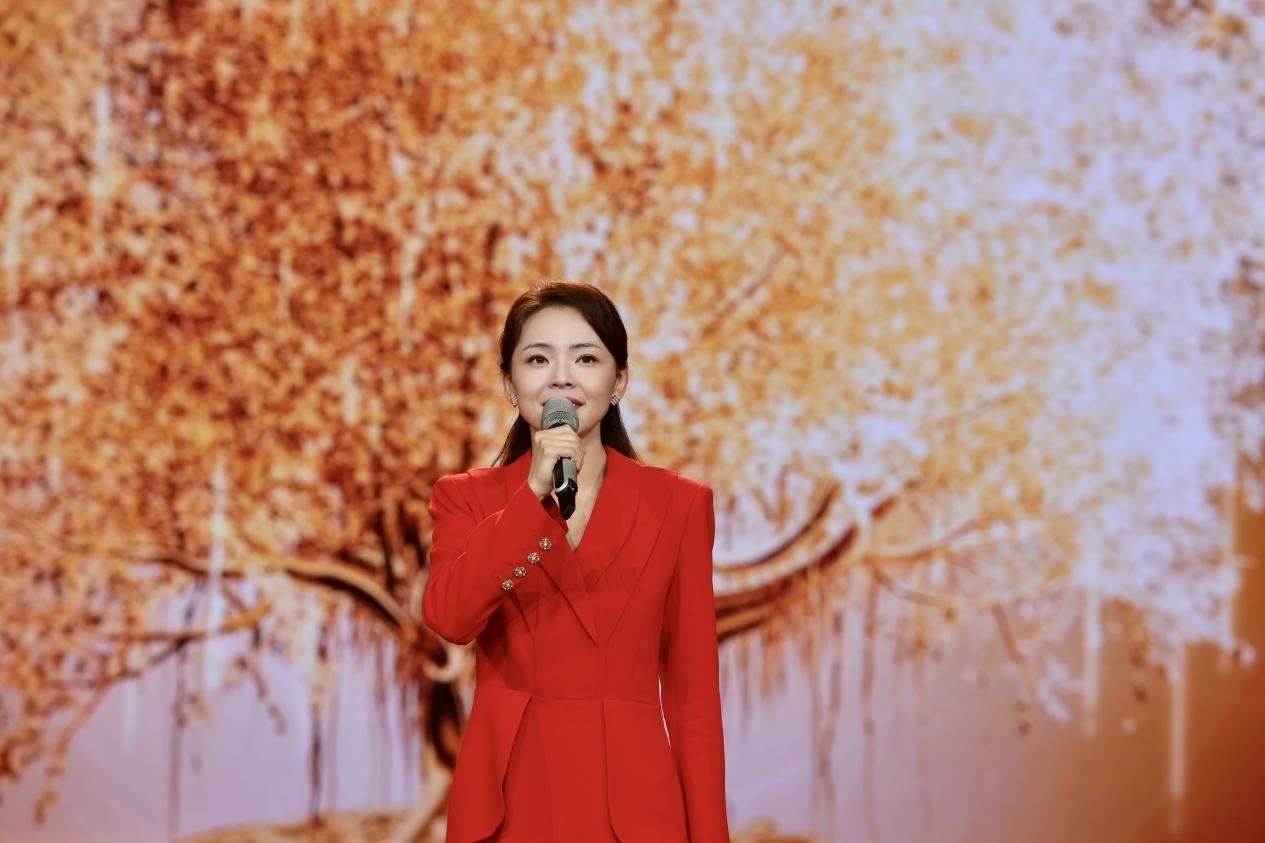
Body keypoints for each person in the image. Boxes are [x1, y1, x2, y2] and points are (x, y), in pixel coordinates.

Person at [423, 281, 730, 842]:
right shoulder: (465, 498)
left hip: (633, 811)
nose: (561, 378)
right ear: (509, 384)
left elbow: (695, 704)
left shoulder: (678, 505)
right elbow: (450, 617)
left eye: (585, 358)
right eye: (538, 359)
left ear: (620, 382)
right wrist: (530, 498)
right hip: (511, 802)